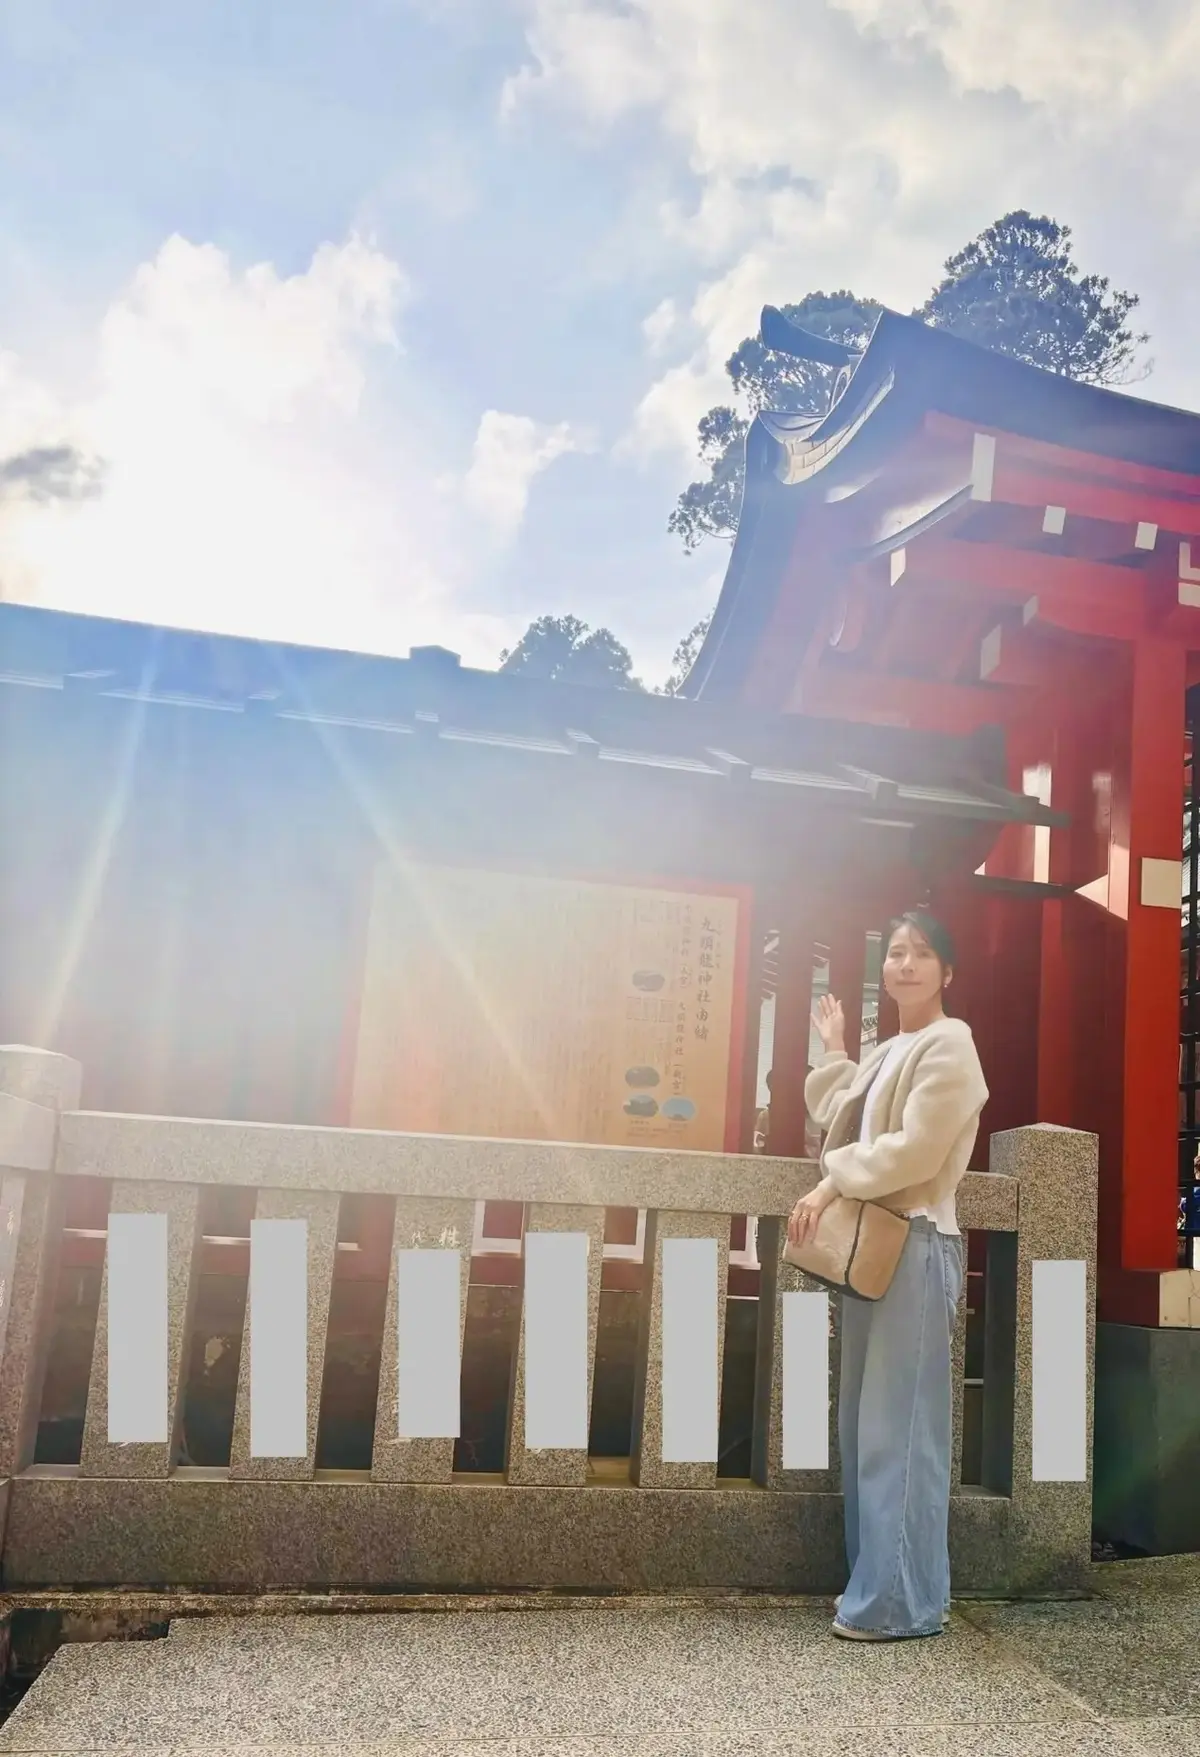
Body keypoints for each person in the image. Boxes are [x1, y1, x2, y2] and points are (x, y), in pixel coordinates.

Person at [786, 910, 988, 1642]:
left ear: (948, 971)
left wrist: (827, 1186)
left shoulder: (952, 1044)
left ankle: (900, 1603)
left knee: (900, 1429)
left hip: (918, 1242)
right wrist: (835, 1049)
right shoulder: (892, 1049)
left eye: (922, 953)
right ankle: (880, 1587)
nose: (905, 963)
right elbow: (846, 1113)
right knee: (866, 1425)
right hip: (882, 1247)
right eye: (897, 952)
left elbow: (913, 1151)